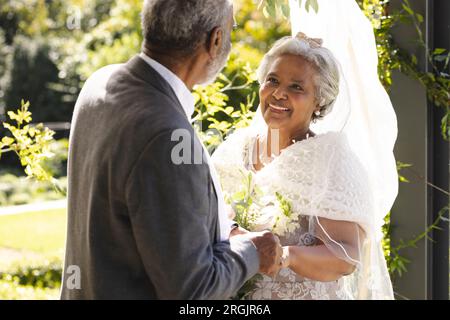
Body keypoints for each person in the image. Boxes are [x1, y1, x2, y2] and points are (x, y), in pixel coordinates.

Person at [60, 0, 282, 300]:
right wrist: (253, 252)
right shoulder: (166, 133)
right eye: (232, 28)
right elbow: (193, 290)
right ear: (215, 40)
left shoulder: (99, 83)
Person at [212, 32, 395, 299]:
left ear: (319, 100)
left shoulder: (330, 160)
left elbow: (346, 256)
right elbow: (203, 220)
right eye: (272, 80)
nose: (278, 93)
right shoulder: (233, 150)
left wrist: (285, 256)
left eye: (296, 87)